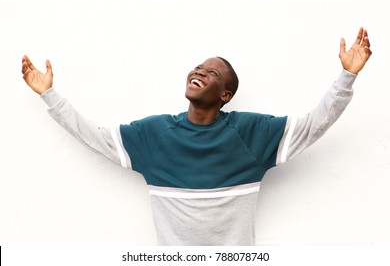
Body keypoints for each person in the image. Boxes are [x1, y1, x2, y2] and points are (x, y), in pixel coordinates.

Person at [21, 27, 371, 245]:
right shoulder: (155, 134)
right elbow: (92, 136)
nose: (200, 70)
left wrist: (346, 78)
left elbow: (314, 124)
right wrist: (48, 95)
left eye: (212, 72)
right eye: (198, 67)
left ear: (225, 95)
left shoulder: (251, 133)